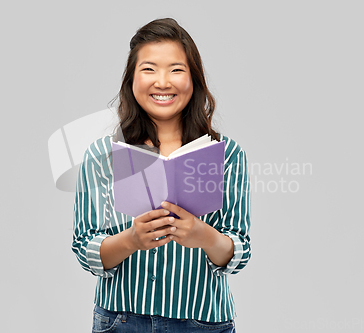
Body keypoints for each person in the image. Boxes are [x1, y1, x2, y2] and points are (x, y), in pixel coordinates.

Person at [72, 18, 251, 333]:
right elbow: (84, 246)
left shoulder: (227, 155)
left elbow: (240, 250)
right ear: (131, 80)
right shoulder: (103, 155)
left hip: (202, 322)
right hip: (121, 320)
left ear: (193, 79)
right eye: (149, 69)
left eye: (176, 69)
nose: (163, 82)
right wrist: (131, 239)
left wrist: (204, 236)